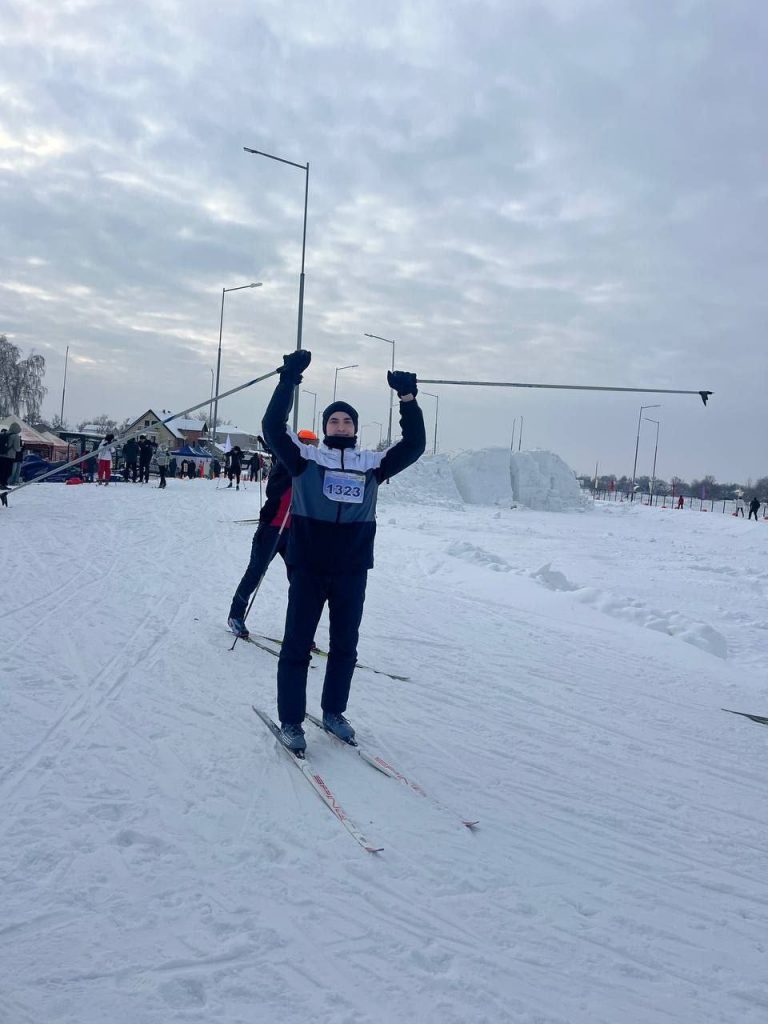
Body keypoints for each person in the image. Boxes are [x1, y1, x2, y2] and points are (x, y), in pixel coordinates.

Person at [262, 350, 425, 753]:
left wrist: (408, 399)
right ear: (325, 427)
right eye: (333, 420)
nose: (340, 425)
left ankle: (334, 712)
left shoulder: (372, 464)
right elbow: (272, 427)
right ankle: (291, 720)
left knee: (345, 646)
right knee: (297, 644)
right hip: (308, 565)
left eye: (347, 421)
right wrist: (288, 379)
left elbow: (415, 445)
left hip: (352, 568)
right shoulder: (305, 458)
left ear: (355, 428)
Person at [227, 430, 319, 639]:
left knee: (300, 580)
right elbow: (272, 490)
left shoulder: (313, 467)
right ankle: (235, 615)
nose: (312, 448)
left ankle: (299, 630)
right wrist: (294, 478)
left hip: (294, 532)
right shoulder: (287, 463)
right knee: (255, 572)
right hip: (272, 528)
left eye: (314, 444)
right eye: (308, 443)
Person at [0, 422, 22, 507]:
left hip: (1, 455)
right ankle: (3, 484)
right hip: (9, 456)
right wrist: (21, 448)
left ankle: (1, 483)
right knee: (8, 471)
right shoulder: (15, 436)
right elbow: (17, 448)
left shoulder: (3, 433)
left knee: (1, 470)